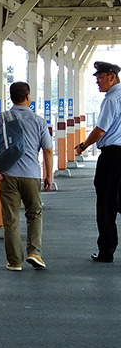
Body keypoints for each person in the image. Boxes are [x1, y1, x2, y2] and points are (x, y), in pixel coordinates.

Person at [0, 82, 53, 271]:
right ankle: (34, 252)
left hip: (7, 175)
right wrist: (49, 175)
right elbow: (48, 151)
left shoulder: (2, 118)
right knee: (34, 214)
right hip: (32, 175)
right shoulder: (39, 121)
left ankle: (15, 261)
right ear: (28, 96)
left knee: (10, 219)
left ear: (11, 97)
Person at [75, 61, 121, 262]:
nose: (97, 82)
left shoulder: (111, 99)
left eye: (100, 77)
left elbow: (100, 130)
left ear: (112, 76)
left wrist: (83, 146)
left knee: (106, 203)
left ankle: (106, 250)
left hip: (112, 157)